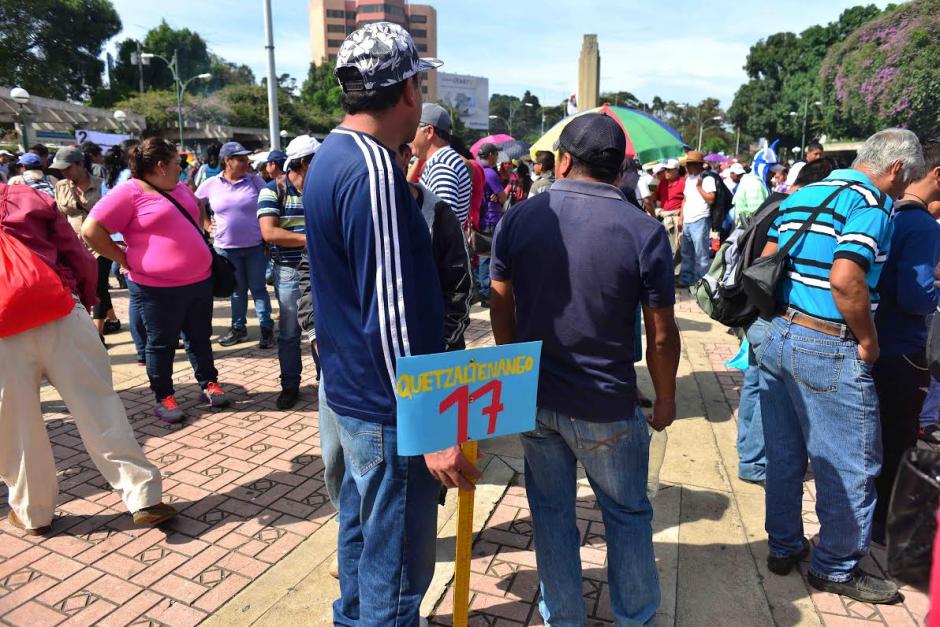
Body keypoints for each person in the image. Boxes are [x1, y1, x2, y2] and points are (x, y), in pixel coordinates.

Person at [303, 22, 478, 624]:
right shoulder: (374, 170)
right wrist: (431, 428)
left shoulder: (330, 155)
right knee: (398, 571)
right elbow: (393, 315)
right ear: (409, 90)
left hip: (355, 394)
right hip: (387, 409)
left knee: (361, 540)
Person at [489, 113, 680, 625]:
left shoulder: (521, 218)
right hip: (606, 403)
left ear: (565, 160)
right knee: (626, 514)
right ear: (620, 169)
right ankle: (636, 616)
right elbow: (660, 332)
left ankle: (563, 617)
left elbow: (499, 303)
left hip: (535, 396)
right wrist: (665, 397)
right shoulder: (644, 230)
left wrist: (511, 373)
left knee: (551, 516)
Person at [755, 128, 925, 604]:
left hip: (779, 333)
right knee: (851, 463)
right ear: (895, 168)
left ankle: (783, 545)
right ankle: (835, 566)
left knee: (786, 454)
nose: (903, 189)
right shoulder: (870, 205)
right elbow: (847, 278)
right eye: (905, 179)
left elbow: (769, 259)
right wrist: (868, 341)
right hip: (828, 343)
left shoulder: (805, 193)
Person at [1, 181, 176, 535]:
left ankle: (33, 512)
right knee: (99, 407)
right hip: (60, 313)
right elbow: (78, 256)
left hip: (4, 335)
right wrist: (80, 300)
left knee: (16, 426)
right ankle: (143, 496)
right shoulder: (27, 196)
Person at [83, 138, 230, 423]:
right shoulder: (129, 192)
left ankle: (208, 383)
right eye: (177, 162)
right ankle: (164, 396)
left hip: (199, 281)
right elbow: (90, 230)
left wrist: (199, 234)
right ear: (161, 166)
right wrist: (121, 257)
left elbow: (196, 206)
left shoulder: (178, 188)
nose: (181, 167)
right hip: (157, 288)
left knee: (200, 337)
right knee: (161, 343)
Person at [734, 157, 837, 484]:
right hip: (773, 313)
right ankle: (755, 463)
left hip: (755, 307)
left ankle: (747, 453)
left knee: (754, 383)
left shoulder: (773, 203)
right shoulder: (793, 209)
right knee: (769, 394)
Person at [871, 140, 940, 544]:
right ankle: (884, 525)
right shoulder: (924, 226)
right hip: (904, 349)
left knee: (875, 435)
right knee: (898, 439)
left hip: (876, 341)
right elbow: (917, 296)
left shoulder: (888, 213)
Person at [257, 135, 320, 409]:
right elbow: (269, 232)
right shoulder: (272, 191)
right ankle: (290, 385)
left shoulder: (319, 189)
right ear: (304, 163)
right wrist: (313, 239)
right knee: (290, 332)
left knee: (322, 328)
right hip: (289, 272)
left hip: (321, 270)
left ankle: (326, 382)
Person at [196, 141, 273, 348]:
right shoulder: (211, 184)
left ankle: (266, 328)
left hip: (256, 246)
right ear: (227, 161)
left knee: (258, 289)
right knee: (236, 290)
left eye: (246, 159)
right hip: (226, 248)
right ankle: (238, 328)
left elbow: (270, 205)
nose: (245, 163)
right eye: (240, 159)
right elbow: (196, 202)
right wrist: (205, 223)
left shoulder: (255, 182)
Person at [399, 141, 473, 351]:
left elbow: (459, 287)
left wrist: (443, 342)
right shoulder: (353, 205)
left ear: (405, 156)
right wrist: (316, 331)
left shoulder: (439, 213)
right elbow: (315, 267)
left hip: (432, 354)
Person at [51, 146, 121, 342]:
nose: (64, 172)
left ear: (81, 164)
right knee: (84, 286)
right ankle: (112, 319)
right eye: (61, 169)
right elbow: (61, 216)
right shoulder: (61, 186)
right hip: (73, 245)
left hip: (100, 244)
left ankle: (97, 335)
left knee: (97, 285)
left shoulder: (102, 185)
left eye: (68, 167)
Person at [412, 103, 472, 225]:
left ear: (429, 131)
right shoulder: (444, 161)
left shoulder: (442, 165)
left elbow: (443, 224)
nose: (410, 135)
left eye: (414, 128)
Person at [476, 142, 507, 307]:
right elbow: (503, 197)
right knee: (488, 258)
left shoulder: (479, 170)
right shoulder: (490, 173)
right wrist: (499, 196)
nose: (497, 157)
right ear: (490, 155)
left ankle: (483, 293)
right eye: (496, 154)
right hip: (491, 219)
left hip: (482, 219)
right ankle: (487, 294)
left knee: (483, 257)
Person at [679, 150, 716, 287]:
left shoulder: (707, 179)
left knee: (701, 255)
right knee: (686, 253)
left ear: (698, 165)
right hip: (688, 220)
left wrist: (699, 187)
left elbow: (711, 199)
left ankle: (701, 283)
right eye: (687, 165)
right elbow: (685, 199)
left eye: (690, 164)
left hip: (700, 219)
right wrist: (681, 218)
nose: (687, 167)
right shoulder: (689, 179)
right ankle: (686, 280)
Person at [657, 158, 684, 276]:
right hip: (663, 217)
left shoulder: (683, 183)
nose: (666, 172)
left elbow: (686, 201)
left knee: (675, 248)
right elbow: (656, 197)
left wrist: (681, 218)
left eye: (669, 170)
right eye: (665, 170)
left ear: (676, 171)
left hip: (675, 218)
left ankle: (674, 273)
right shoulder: (662, 182)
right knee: (664, 246)